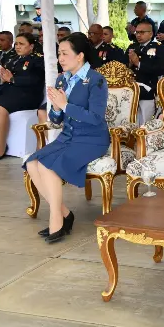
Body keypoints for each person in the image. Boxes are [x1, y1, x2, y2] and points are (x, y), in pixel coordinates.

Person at [23, 33, 110, 244]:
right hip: (68, 136)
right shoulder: (62, 79)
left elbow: (95, 118)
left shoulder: (96, 80)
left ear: (80, 56)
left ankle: (56, 220)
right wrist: (55, 108)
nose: (60, 59)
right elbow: (56, 119)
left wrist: (65, 105)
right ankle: (65, 213)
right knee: (32, 163)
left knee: (47, 166)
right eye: (59, 54)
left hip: (91, 138)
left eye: (64, 54)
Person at [0, 33, 44, 161]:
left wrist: (12, 79)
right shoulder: (12, 58)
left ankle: (1, 146)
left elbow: (35, 80)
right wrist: (1, 79)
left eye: (21, 44)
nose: (17, 46)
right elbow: (0, 76)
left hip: (27, 94)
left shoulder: (38, 59)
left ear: (31, 46)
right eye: (16, 44)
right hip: (7, 92)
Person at [126, 20, 164, 125]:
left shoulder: (158, 47)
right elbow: (123, 66)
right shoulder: (132, 47)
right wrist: (130, 64)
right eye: (137, 32)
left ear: (150, 34)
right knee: (130, 121)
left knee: (145, 123)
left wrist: (138, 63)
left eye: (142, 32)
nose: (138, 35)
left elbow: (160, 68)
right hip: (131, 89)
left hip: (148, 89)